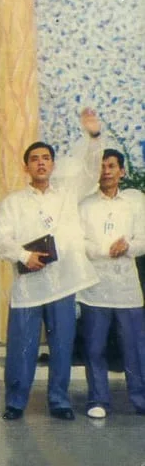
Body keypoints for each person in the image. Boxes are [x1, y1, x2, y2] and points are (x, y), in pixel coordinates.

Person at [0, 107, 103, 420]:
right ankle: (16, 402)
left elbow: (92, 169)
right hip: (29, 284)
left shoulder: (68, 193)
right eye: (35, 159)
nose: (41, 163)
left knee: (61, 345)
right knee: (23, 346)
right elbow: (2, 240)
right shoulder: (13, 202)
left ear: (52, 164)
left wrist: (94, 136)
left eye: (46, 158)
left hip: (63, 282)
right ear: (26, 166)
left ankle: (59, 401)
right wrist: (24, 256)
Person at [77, 148, 145, 418]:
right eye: (101, 166)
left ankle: (140, 398)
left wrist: (128, 246)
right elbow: (78, 242)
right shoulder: (85, 205)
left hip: (127, 288)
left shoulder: (134, 203)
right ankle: (98, 400)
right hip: (95, 287)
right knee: (95, 347)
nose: (106, 171)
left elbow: (143, 238)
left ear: (122, 171)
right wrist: (106, 249)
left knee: (134, 347)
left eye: (111, 166)